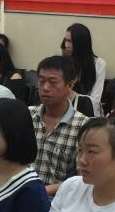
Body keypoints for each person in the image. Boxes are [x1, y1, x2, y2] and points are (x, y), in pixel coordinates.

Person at [30, 56, 89, 197]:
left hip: (60, 199)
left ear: (70, 85)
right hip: (22, 193)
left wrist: (42, 191)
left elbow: (83, 178)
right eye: (41, 81)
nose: (45, 88)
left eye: (53, 82)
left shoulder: (83, 126)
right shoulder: (27, 116)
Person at [62, 23, 106, 116]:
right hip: (64, 108)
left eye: (70, 41)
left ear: (80, 43)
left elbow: (95, 100)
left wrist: (74, 97)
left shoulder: (99, 64)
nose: (66, 45)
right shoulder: (64, 62)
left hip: (88, 111)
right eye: (65, 40)